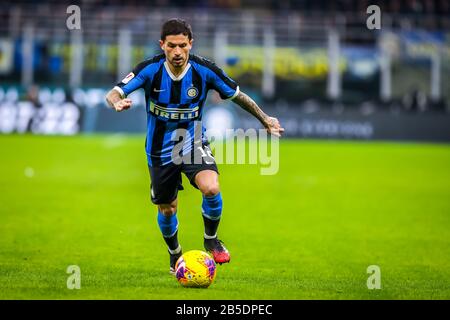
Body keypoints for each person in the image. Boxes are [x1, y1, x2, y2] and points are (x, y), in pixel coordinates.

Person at [105, 18, 284, 274]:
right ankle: (174, 254)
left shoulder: (204, 70)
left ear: (191, 43)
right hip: (159, 150)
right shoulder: (149, 70)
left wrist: (265, 119)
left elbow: (237, 96)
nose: (177, 52)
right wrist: (116, 102)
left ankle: (211, 239)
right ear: (162, 45)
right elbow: (114, 92)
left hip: (192, 141)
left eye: (182, 45)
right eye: (171, 46)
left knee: (211, 187)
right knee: (168, 209)